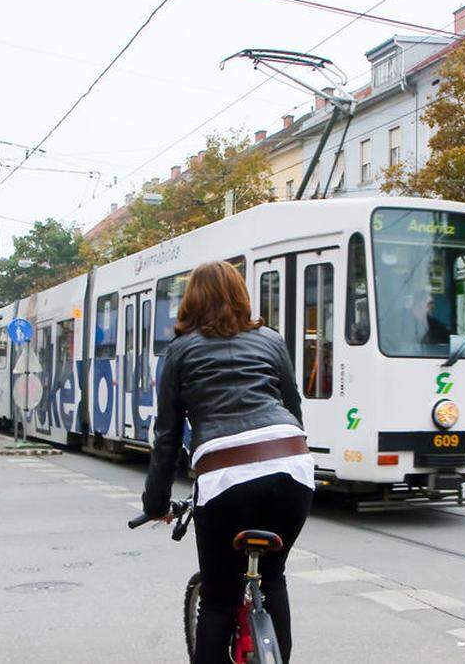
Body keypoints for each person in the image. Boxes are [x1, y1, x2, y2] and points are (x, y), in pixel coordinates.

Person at [141, 261, 313, 664]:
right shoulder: (271, 340)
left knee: (218, 599)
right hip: (290, 464)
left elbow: (166, 438)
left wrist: (156, 504)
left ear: (191, 302)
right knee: (273, 576)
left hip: (225, 478)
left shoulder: (180, 351)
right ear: (241, 295)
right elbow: (294, 407)